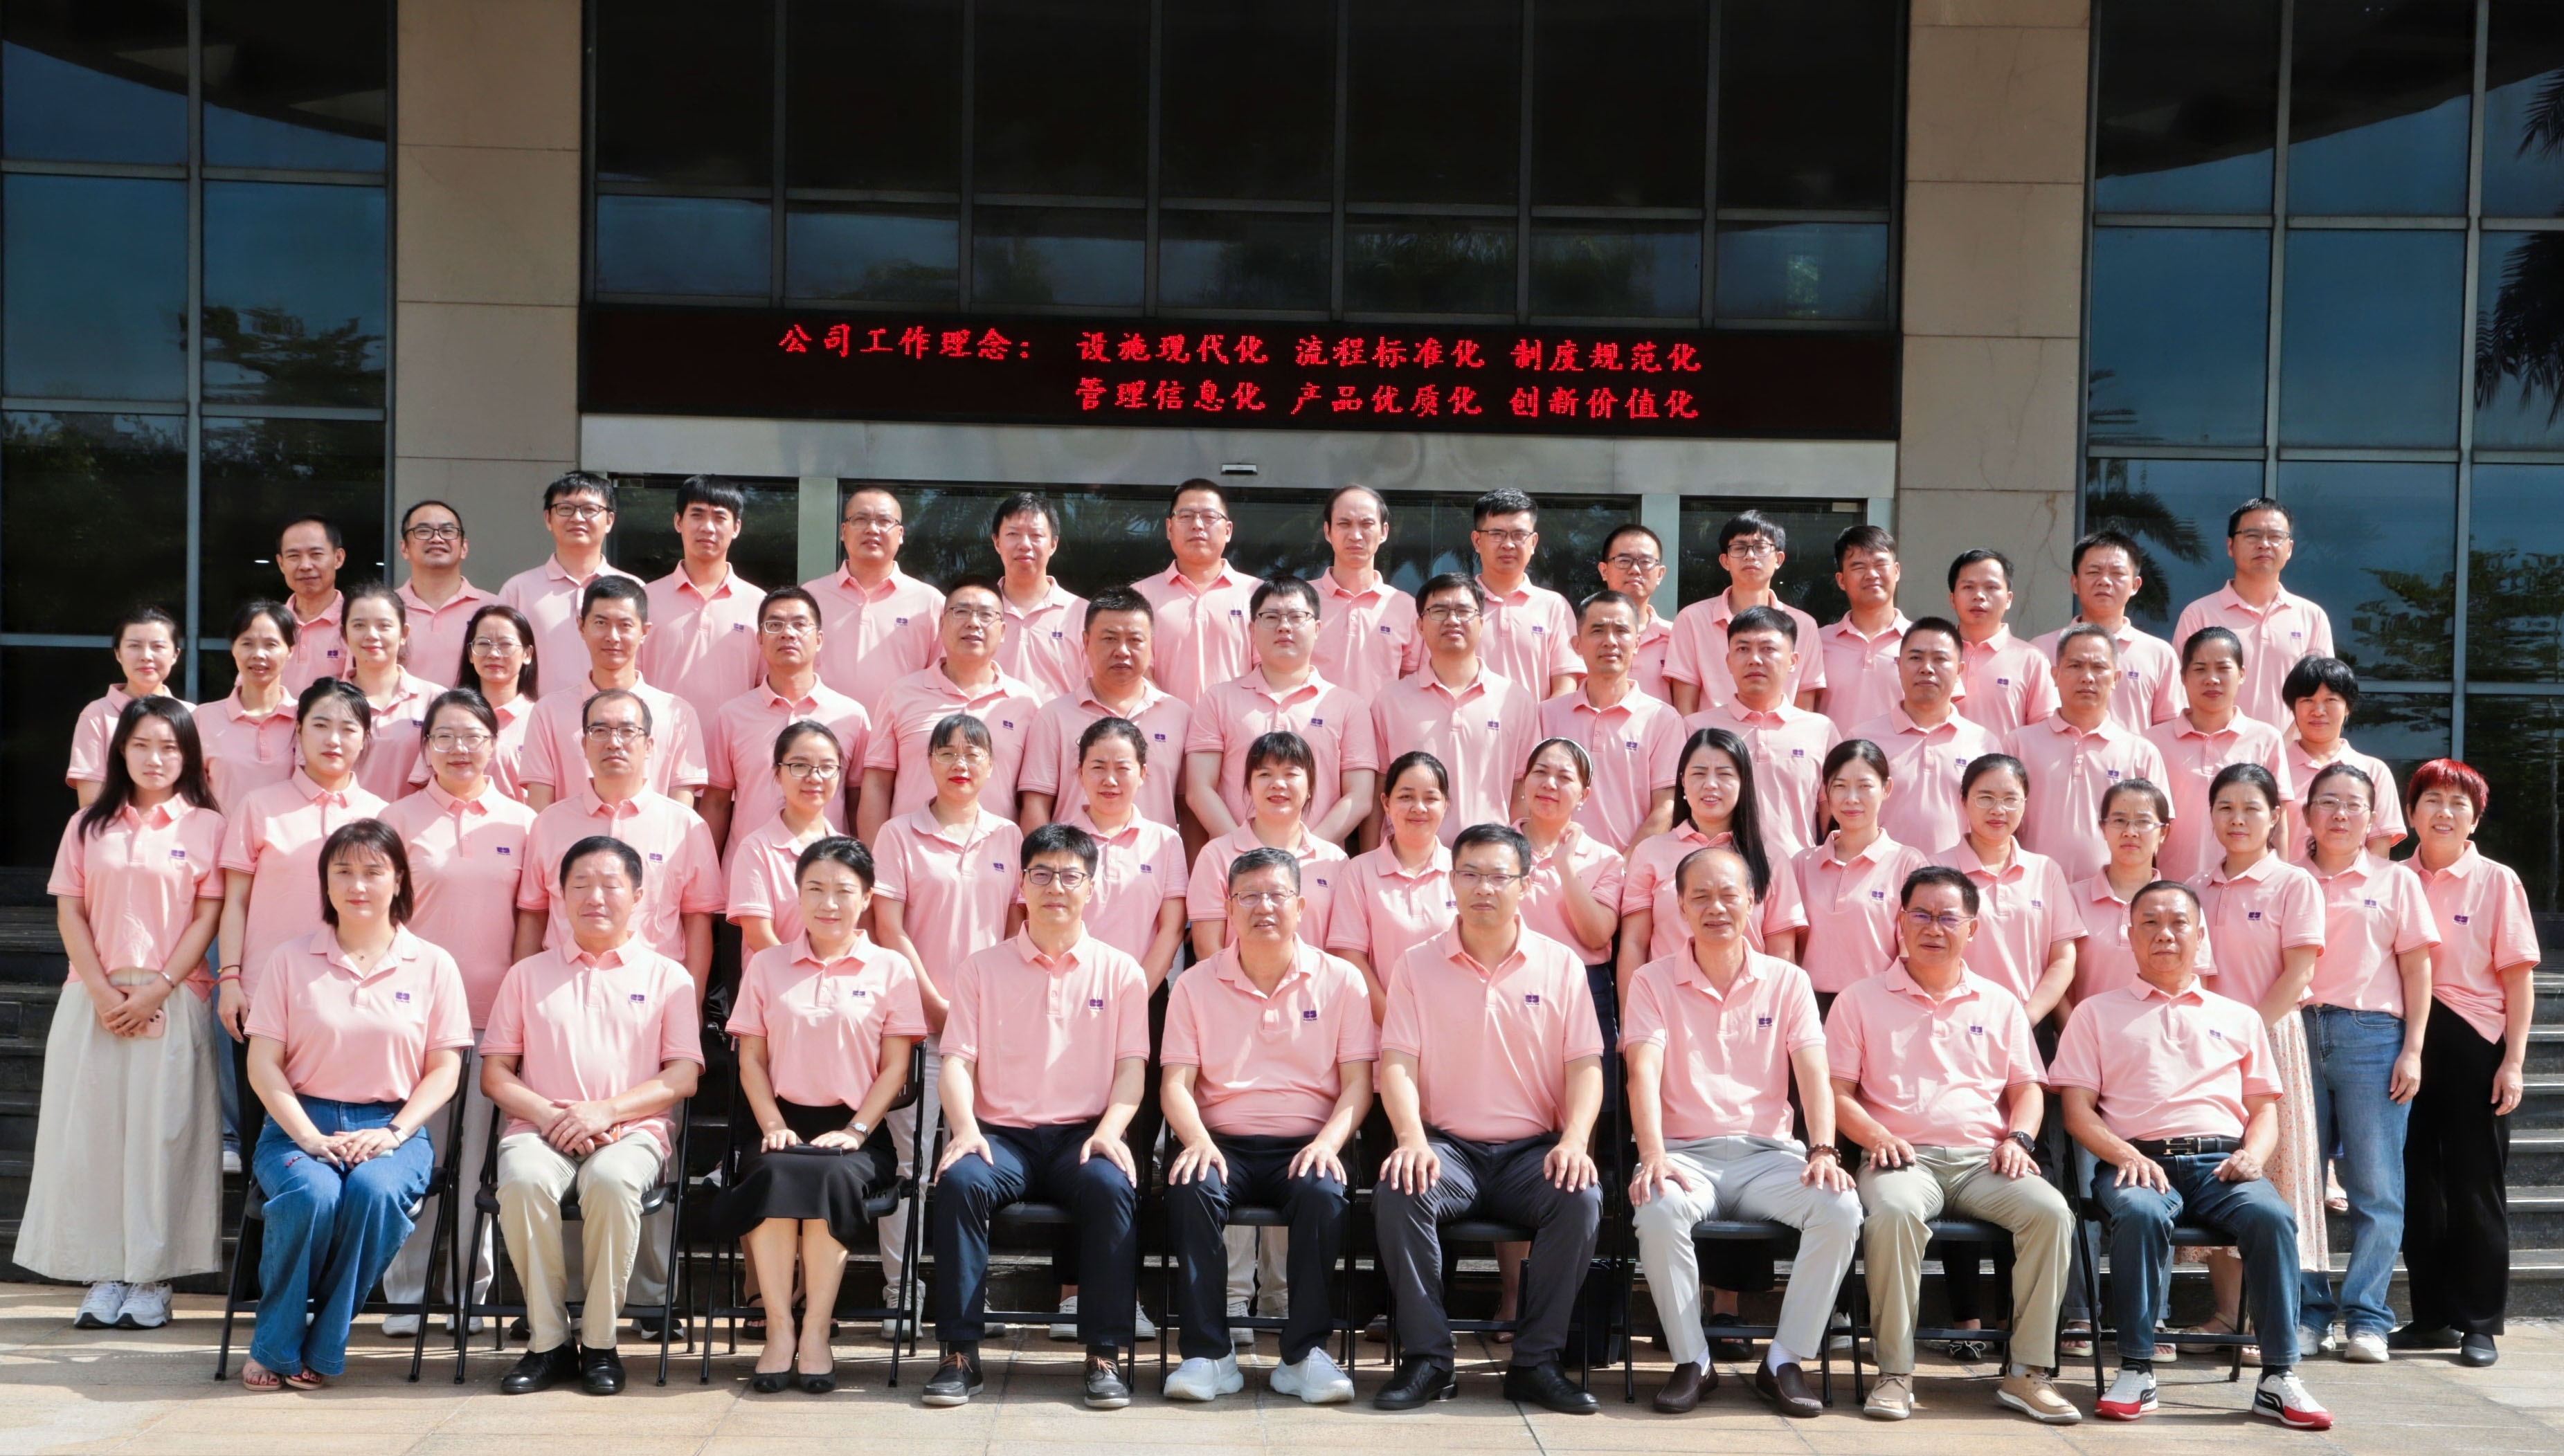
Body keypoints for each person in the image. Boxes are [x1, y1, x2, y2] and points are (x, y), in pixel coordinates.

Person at [2055, 880, 2333, 1430]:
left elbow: (2264, 1111)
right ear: (2129, 936)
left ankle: (2279, 1376)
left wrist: (2254, 1155)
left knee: (2273, 1217)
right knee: (2138, 1213)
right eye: (2150, 923)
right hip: (2137, 1161)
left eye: (2178, 923)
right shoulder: (2095, 1013)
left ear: (2200, 936)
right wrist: (2122, 1153)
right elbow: (2077, 1112)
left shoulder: (2239, 1016)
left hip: (2222, 1164)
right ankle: (2136, 1367)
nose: (2165, 934)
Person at [1826, 865, 2080, 1425]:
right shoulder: (1859, 999)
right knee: (1893, 1213)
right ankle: (1895, 1372)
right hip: (1901, 1159)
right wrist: (1877, 1136)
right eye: (1920, 914)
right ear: (1899, 922)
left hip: (1984, 1161)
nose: (1932, 927)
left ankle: (2028, 1373)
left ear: (1973, 928)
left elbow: (2027, 1090)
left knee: (2052, 1213)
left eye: (1947, 917)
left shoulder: (2000, 1003)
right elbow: (1835, 1093)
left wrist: (2019, 1138)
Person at [1371, 823, 1604, 1415]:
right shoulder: (1416, 965)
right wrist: (1411, 1139)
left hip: (1532, 1153)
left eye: (1499, 876)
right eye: (1470, 874)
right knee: (1399, 1188)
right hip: (1448, 1150)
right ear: (1451, 882)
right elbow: (1396, 1064)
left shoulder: (1560, 964)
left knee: (1579, 1197)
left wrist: (1576, 1141)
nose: (1483, 888)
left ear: (1525, 885)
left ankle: (1536, 1363)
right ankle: (1428, 1359)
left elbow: (1585, 1067)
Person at [1625, 846, 1863, 1418]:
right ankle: (1693, 1361)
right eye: (1701, 897)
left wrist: (1823, 1150)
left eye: (1729, 895)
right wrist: (1652, 1154)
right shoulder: (1652, 981)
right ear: (1680, 906)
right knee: (1657, 1209)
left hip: (1769, 1157)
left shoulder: (1788, 981)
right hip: (1684, 1154)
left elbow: (1813, 1074)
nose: (1716, 908)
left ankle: (1784, 1360)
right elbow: (1642, 1071)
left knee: (1840, 1208)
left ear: (1753, 901)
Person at [924, 823, 1151, 1412]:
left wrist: (1110, 1132)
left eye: (1070, 876)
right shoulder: (981, 969)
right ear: (1021, 884)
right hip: (1003, 1137)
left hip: (1083, 1136)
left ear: (1092, 888)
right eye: (1042, 874)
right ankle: (959, 1353)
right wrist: (965, 1129)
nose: (1056, 887)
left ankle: (1104, 1353)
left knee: (1112, 1186)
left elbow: (1131, 1069)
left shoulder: (1121, 971)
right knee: (958, 1183)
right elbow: (956, 1062)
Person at [238, 820, 471, 1390]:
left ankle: (324, 1341)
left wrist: (394, 1133)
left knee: (374, 1191)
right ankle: (274, 1344)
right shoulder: (290, 959)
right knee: (311, 1194)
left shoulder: (433, 964)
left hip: (392, 1126)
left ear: (399, 881)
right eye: (342, 871)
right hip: (300, 1123)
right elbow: (263, 1064)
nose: (357, 885)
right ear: (325, 882)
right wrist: (309, 1138)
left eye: (373, 871)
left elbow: (445, 1071)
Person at [17, 698, 225, 1331]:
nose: (155, 758)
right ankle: (103, 1273)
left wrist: (158, 988)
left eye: (169, 746)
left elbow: (208, 916)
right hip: (94, 996)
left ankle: (153, 1279)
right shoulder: (88, 826)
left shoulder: (207, 826)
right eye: (141, 745)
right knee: (93, 1137)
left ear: (188, 755)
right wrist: (105, 993)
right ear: (120, 752)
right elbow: (70, 911)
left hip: (173, 996)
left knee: (164, 1138)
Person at [483, 836, 703, 1397]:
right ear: (560, 896)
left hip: (632, 1131)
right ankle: (549, 1343)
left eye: (610, 885)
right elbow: (496, 1075)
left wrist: (605, 1112)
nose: (595, 897)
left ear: (639, 896)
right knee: (523, 1180)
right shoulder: (527, 975)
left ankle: (601, 1343)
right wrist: (551, 1115)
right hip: (540, 1128)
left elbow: (683, 1076)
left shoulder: (669, 977)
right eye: (580, 884)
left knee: (610, 1181)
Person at [1159, 848, 1375, 1404]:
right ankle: (1209, 1355)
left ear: (1301, 906)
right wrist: (1198, 1141)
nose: (1264, 907)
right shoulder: (1195, 984)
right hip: (1220, 1143)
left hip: (1306, 1143)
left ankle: (1302, 1356)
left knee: (1324, 1193)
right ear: (1229, 908)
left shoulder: (1341, 980)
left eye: (1277, 895)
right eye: (1249, 896)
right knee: (1190, 1186)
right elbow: (1176, 1084)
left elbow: (1358, 1083)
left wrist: (1328, 1144)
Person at [714, 836, 925, 1394]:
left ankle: (815, 1332)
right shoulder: (767, 966)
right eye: (815, 889)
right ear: (797, 894)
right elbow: (751, 1060)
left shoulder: (891, 969)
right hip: (779, 1123)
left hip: (858, 1131)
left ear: (867, 898)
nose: (828, 903)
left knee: (830, 1175)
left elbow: (895, 1069)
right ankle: (778, 1329)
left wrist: (856, 1129)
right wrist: (772, 1125)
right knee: (773, 1171)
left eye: (843, 891)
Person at [375, 689, 537, 1335]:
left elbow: (531, 921)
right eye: (445, 736)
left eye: (473, 736)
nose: (459, 749)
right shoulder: (397, 819)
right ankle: (407, 1292)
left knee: (480, 1165)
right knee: (417, 1154)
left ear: (494, 746)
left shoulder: (522, 822)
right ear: (425, 748)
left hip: (496, 1016)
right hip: (415, 1019)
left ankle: (472, 1290)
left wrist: (518, 1005)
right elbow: (383, 919)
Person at [869, 712, 1022, 1325]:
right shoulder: (898, 834)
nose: (961, 763)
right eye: (947, 752)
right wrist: (933, 1001)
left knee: (974, 1160)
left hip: (988, 1030)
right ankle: (900, 1292)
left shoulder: (1009, 837)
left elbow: (1016, 929)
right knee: (910, 1165)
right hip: (914, 1025)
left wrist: (982, 1006)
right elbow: (889, 927)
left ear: (991, 765)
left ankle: (968, 1294)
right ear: (927, 762)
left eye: (973, 752)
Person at [2293, 761, 2438, 1363]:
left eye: (2354, 803)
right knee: (2299, 1185)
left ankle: (2368, 1317)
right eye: (2328, 802)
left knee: (2375, 1186)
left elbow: (2417, 968)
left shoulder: (2396, 881)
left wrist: (2414, 1048)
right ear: (2307, 814)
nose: (2341, 814)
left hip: (2373, 1037)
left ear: (2372, 816)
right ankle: (2308, 1314)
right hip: (2295, 1034)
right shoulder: (2286, 879)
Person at [2396, 758, 2538, 1367]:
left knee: (2475, 1186)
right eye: (2432, 800)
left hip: (2475, 1042)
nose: (2445, 812)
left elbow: (2519, 978)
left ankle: (2478, 1322)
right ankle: (2431, 1317)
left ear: (2475, 818)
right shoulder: (2393, 878)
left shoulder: (2497, 881)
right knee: (2416, 1185)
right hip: (2402, 1041)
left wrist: (2514, 1062)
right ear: (2411, 813)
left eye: (2460, 804)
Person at [2192, 761, 2330, 1356]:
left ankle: (2268, 1323)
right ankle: (2228, 1314)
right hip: (2204, 1052)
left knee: (2273, 1175)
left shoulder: (2294, 884)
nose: (2238, 819)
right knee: (2222, 1172)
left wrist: (2246, 1032)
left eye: (2252, 807)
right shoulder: (2195, 888)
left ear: (2276, 816)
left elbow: (2299, 970)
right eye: (2226, 807)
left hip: (2271, 1041)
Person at [217, 680, 390, 1147]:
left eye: (348, 728)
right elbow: (235, 901)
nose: (334, 739)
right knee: (261, 1137)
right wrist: (230, 979)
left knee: (342, 1135)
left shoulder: (382, 817)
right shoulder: (259, 807)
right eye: (320, 725)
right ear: (297, 731)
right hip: (263, 995)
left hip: (350, 1002)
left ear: (365, 739)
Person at [515, 689, 721, 981]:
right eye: (600, 731)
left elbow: (698, 923)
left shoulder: (686, 826)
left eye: (627, 731)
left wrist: (692, 998)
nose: (614, 742)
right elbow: (533, 916)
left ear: (649, 745)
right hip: (561, 987)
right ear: (584, 744)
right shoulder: (549, 823)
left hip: (652, 990)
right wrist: (523, 990)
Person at [1186, 577, 1379, 847]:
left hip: (1319, 866)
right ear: (1252, 629)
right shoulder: (1218, 700)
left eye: (1297, 617)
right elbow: (1199, 790)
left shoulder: (1348, 706)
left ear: (1317, 628)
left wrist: (1305, 853)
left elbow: (1359, 798)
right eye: (1271, 617)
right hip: (1235, 863)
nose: (1284, 626)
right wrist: (1244, 853)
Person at [1620, 727, 1807, 992]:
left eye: (1724, 774)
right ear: (1683, 782)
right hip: (1668, 1003)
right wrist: (1631, 1013)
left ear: (1743, 783)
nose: (1710, 784)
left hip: (1749, 1004)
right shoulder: (1650, 852)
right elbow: (1634, 943)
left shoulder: (1771, 858)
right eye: (1699, 774)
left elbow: (1782, 954)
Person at [858, 579, 1038, 840]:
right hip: (910, 853)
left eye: (986, 615)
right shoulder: (900, 695)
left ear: (1002, 631)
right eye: (961, 611)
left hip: (996, 854)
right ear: (942, 625)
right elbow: (877, 784)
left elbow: (1032, 798)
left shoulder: (1024, 702)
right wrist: (877, 857)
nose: (973, 623)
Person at [1369, 573, 1539, 845]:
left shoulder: (1515, 701)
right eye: (1439, 611)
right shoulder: (1390, 701)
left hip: (1489, 858)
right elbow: (1378, 789)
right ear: (1420, 626)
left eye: (1463, 611)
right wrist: (1372, 858)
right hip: (1408, 859)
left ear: (1481, 623)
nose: (1452, 620)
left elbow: (1523, 789)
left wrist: (1515, 855)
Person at [701, 586, 868, 859]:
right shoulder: (732, 716)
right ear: (760, 639)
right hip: (749, 869)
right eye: (775, 625)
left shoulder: (851, 716)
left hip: (827, 870)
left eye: (800, 625)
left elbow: (857, 801)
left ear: (819, 639)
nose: (787, 633)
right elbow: (717, 803)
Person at [519, 576, 710, 812]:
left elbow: (681, 816)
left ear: (644, 631)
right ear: (581, 627)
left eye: (625, 625)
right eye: (601, 623)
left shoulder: (678, 715)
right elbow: (540, 812)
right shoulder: (548, 713)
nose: (613, 636)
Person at [1016, 586, 1191, 834]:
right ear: (1086, 642)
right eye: (1110, 639)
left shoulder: (1179, 716)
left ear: (1151, 644)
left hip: (1155, 857)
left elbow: (1188, 807)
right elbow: (1036, 805)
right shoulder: (1053, 717)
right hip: (1074, 857)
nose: (1122, 651)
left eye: (1135, 640)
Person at [2010, 623, 2168, 885]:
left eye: (2098, 667)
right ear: (2055, 675)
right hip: (2033, 890)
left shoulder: (2141, 753)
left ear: (2116, 678)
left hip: (2112, 896)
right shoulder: (2018, 745)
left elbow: (2155, 833)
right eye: (2075, 665)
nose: (2087, 677)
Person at [1683, 606, 1839, 859]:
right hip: (1719, 875)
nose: (1754, 659)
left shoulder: (1821, 731)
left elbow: (1832, 818)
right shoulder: (1696, 729)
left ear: (1793, 661)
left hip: (1797, 874)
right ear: (1729, 662)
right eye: (1743, 649)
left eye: (1768, 649)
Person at [1935, 754, 2082, 1022]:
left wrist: (2028, 1018)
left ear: (2025, 803)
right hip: (1955, 1021)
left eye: (2010, 799)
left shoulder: (2046, 871)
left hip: (2029, 1022)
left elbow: (2063, 958)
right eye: (1985, 798)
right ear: (1963, 801)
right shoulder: (1936, 870)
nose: (1998, 810)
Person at [1537, 590, 1682, 853]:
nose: (1610, 641)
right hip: (1555, 867)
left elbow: (1667, 806)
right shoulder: (1546, 715)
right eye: (1598, 631)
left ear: (1637, 643)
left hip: (1630, 871)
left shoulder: (1663, 720)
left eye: (1621, 631)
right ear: (1577, 645)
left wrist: (1623, 867)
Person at [2146, 627, 2292, 884]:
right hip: (2169, 888)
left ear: (2242, 674)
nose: (2212, 679)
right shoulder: (2151, 742)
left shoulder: (2266, 739)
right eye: (2200, 669)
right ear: (2183, 677)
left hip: (2246, 889)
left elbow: (2278, 824)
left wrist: (2278, 885)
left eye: (2223, 668)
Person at [2173, 498, 2333, 729]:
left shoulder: (2312, 618)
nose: (2264, 544)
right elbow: (2180, 692)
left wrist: (2286, 744)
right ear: (2230, 546)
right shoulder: (2199, 614)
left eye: (2275, 536)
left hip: (2289, 748)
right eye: (2252, 535)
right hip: (2216, 746)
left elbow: (2322, 695)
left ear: (2289, 548)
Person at [1056, 718, 1188, 992]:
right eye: (1098, 767)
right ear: (1080, 773)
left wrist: (1135, 995)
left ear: (1142, 773)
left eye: (1123, 768)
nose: (1110, 780)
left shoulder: (1165, 842)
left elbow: (1172, 928)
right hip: (1067, 992)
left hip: (1143, 993)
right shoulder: (1056, 843)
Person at [1794, 738, 1931, 1003]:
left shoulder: (1908, 863)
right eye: (1840, 786)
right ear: (1826, 791)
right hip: (1809, 1007)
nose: (1852, 799)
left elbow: (1911, 951)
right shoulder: (1801, 864)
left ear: (1886, 788)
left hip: (1881, 1003)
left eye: (1865, 786)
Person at [1187, 731, 1348, 956]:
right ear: (1249, 787)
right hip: (1232, 980)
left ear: (1311, 788)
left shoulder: (1335, 860)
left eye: (1291, 774)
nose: (1278, 784)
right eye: (1265, 774)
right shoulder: (1216, 856)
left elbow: (1343, 949)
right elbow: (1208, 948)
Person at [1852, 618, 2001, 855]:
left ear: (1960, 670)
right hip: (1881, 874)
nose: (1927, 668)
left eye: (1940, 659)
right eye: (1916, 658)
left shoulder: (1984, 744)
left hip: (1956, 876)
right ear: (1898, 666)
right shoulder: (1862, 740)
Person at [1328, 751, 1456, 1020]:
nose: (1418, 808)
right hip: (1383, 1031)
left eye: (1431, 798)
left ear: (1446, 804)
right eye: (1406, 797)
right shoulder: (1359, 872)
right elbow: (1350, 958)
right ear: (1386, 803)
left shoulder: (1464, 871)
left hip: (1453, 1027)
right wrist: (1396, 1023)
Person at [803, 484, 945, 718]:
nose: (872, 529)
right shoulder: (810, 598)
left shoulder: (930, 602)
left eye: (884, 521)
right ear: (843, 531)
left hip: (901, 732)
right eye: (861, 519)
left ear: (900, 534)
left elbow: (943, 681)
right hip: (821, 732)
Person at [1665, 513, 1825, 716]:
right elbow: (1684, 705)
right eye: (1740, 548)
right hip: (1711, 735)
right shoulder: (1692, 619)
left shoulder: (1804, 625)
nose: (1750, 556)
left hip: (1780, 735)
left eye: (1760, 547)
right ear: (1725, 561)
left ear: (1778, 559)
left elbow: (1804, 708)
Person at [498, 471, 642, 695]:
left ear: (609, 521)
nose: (577, 518)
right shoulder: (518, 590)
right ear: (548, 519)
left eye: (590, 509)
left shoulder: (635, 589)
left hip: (617, 715)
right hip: (539, 715)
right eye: (565, 509)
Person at [639, 473, 765, 724]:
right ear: (678, 521)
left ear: (736, 528)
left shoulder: (759, 603)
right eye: (697, 515)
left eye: (719, 517)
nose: (708, 527)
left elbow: (766, 687)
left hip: (733, 742)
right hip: (660, 741)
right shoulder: (644, 600)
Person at [2031, 530, 2181, 734]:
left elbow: (2168, 732)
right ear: (2075, 583)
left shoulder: (2160, 655)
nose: (2105, 581)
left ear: (2135, 585)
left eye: (2117, 573)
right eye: (2094, 572)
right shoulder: (2039, 651)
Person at [1133, 480, 1262, 704]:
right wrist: (1169, 713)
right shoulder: (1139, 596)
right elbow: (1138, 673)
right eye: (1186, 516)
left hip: (1236, 724)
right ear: (1169, 529)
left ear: (1228, 531)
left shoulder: (1258, 594)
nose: (1198, 525)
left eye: (1209, 516)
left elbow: (1268, 669)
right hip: (1164, 723)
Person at [725, 722, 847, 955]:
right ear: (777, 773)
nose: (814, 777)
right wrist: (804, 973)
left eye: (827, 767)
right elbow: (759, 936)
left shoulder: (850, 852)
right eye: (800, 766)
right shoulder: (756, 849)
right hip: (775, 977)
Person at [2069, 779, 2190, 1006]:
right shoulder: (2072, 898)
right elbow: (2056, 972)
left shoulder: (2183, 904)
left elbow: (2196, 983)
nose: (2130, 832)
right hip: (2086, 1027)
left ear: (2163, 832)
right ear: (2103, 828)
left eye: (2143, 822)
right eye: (2119, 821)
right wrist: (2076, 1026)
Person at [2279, 657, 2405, 859]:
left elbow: (2378, 854)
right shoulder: (2273, 767)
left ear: (2348, 707)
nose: (2318, 711)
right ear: (2293, 708)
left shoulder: (2375, 771)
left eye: (2330, 700)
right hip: (2285, 880)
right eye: (2307, 700)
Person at [1310, 484, 1421, 702]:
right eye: (1344, 524)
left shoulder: (1407, 608)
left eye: (1367, 524)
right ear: (1327, 531)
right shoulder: (1299, 602)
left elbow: (1410, 687)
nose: (1356, 535)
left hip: (1380, 723)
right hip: (1312, 723)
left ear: (1384, 532)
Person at [67, 606, 187, 808]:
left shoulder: (193, 715)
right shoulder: (97, 715)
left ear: (175, 655)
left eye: (158, 646)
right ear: (118, 654)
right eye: (134, 646)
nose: (146, 656)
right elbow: (90, 802)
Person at [1466, 489, 1580, 699]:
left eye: (1519, 535)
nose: (1508, 544)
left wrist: (1537, 721)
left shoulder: (1554, 606)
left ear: (1533, 542)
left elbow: (1566, 685)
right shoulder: (1456, 606)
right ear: (1477, 541)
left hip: (1537, 721)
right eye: (1497, 534)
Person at [195, 602, 301, 811]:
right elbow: (190, 795)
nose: (258, 654)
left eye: (271, 644)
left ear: (290, 651)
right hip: (223, 832)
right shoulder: (202, 719)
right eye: (247, 644)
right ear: (233, 648)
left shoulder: (306, 718)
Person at [339, 582, 439, 803]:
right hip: (347, 824)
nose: (371, 635)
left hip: (413, 823)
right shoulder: (326, 704)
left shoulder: (436, 701)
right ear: (344, 634)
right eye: (359, 625)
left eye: (384, 625)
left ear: (404, 633)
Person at [988, 492, 1087, 704]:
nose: (1025, 544)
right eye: (1013, 534)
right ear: (997, 542)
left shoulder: (1083, 614)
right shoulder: (977, 613)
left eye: (1036, 535)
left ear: (1053, 544)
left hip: (1061, 725)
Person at [1948, 549, 2058, 739]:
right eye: (1968, 587)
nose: (1979, 596)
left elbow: (2044, 736)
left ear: (2009, 599)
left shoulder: (2032, 660)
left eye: (1991, 587)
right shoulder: (1934, 656)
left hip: (2006, 759)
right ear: (1952, 599)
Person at [1816, 524, 1911, 734]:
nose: (1871, 574)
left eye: (1880, 564)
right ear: (1841, 580)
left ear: (1896, 571)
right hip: (1835, 755)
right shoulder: (1818, 642)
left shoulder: (1921, 642)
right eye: (1859, 567)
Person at [394, 500, 494, 690]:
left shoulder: (493, 609)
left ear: (464, 548)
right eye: (423, 531)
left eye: (447, 531)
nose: (437, 539)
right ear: (404, 548)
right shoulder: (386, 610)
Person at [444, 603, 539, 801]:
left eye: (505, 645)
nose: (494, 653)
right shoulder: (447, 715)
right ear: (470, 654)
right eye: (484, 644)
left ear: (527, 654)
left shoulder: (541, 718)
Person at [1595, 523, 1676, 702]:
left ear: (1660, 574)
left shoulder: (1676, 637)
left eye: (1646, 562)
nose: (1635, 570)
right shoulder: (1584, 633)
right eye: (1624, 561)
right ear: (1604, 570)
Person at [276, 516, 348, 694]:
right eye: (294, 556)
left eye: (316, 554)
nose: (305, 566)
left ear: (338, 558)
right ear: (281, 563)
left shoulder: (357, 623)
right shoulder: (270, 625)